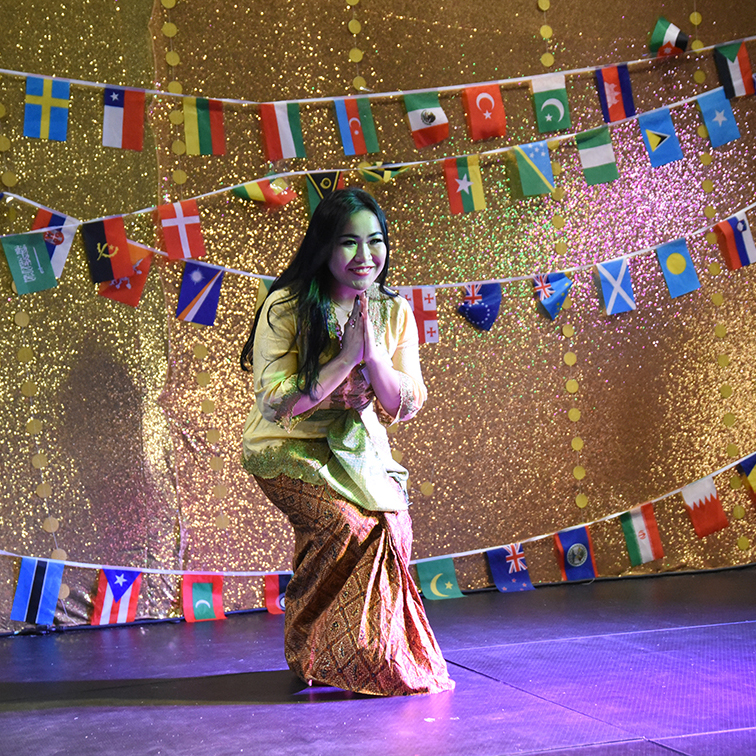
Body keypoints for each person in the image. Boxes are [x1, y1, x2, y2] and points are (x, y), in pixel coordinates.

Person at [240, 187, 454, 696]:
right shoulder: (287, 305)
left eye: (375, 242)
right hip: (285, 444)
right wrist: (344, 358)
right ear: (323, 247)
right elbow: (277, 401)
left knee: (392, 528)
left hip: (357, 445)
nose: (365, 257)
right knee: (346, 525)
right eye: (349, 243)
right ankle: (309, 644)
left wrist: (376, 359)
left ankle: (369, 654)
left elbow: (403, 404)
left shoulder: (394, 309)